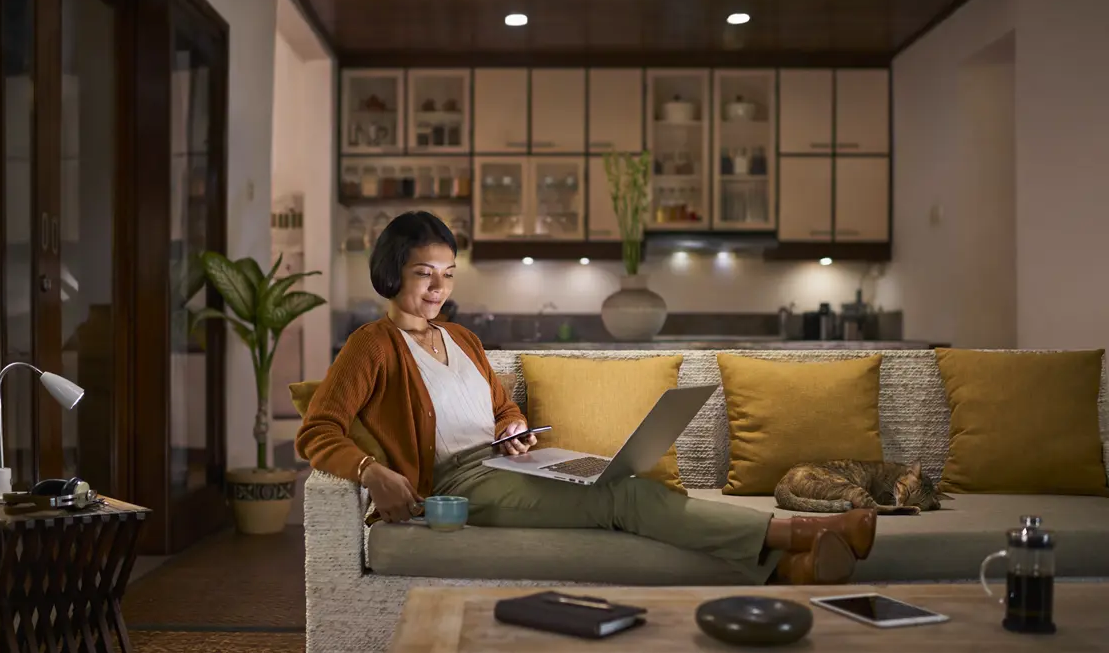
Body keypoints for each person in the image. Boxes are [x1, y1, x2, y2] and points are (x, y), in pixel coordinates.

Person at [298, 211, 876, 585]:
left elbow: (502, 408)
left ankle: (792, 570)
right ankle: (802, 534)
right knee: (619, 501)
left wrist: (514, 430)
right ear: (392, 272)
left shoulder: (463, 339)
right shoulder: (371, 346)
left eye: (447, 274)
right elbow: (316, 431)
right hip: (457, 484)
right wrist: (372, 470)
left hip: (503, 464)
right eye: (424, 273)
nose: (437, 288)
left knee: (627, 484)